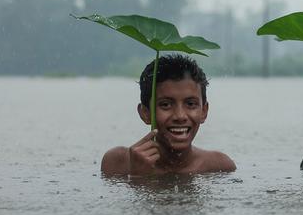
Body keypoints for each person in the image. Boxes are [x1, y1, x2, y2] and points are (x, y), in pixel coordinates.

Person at [101, 54, 236, 176]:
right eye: (165, 105)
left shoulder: (219, 167)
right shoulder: (117, 163)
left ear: (204, 111)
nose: (180, 116)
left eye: (190, 104)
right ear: (145, 113)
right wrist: (138, 176)